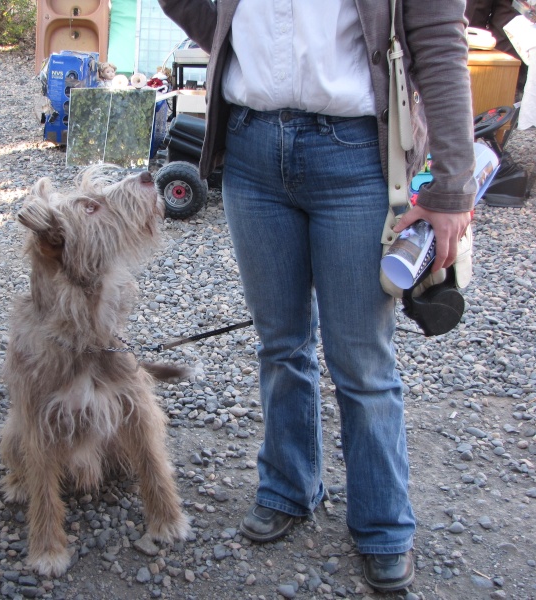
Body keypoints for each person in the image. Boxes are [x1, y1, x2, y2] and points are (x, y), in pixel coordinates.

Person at [158, 0, 475, 593]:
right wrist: (229, 42)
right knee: (280, 342)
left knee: (360, 358)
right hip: (251, 150)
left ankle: (383, 524)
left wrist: (454, 185)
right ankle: (288, 486)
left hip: (356, 153)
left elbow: (437, 35)